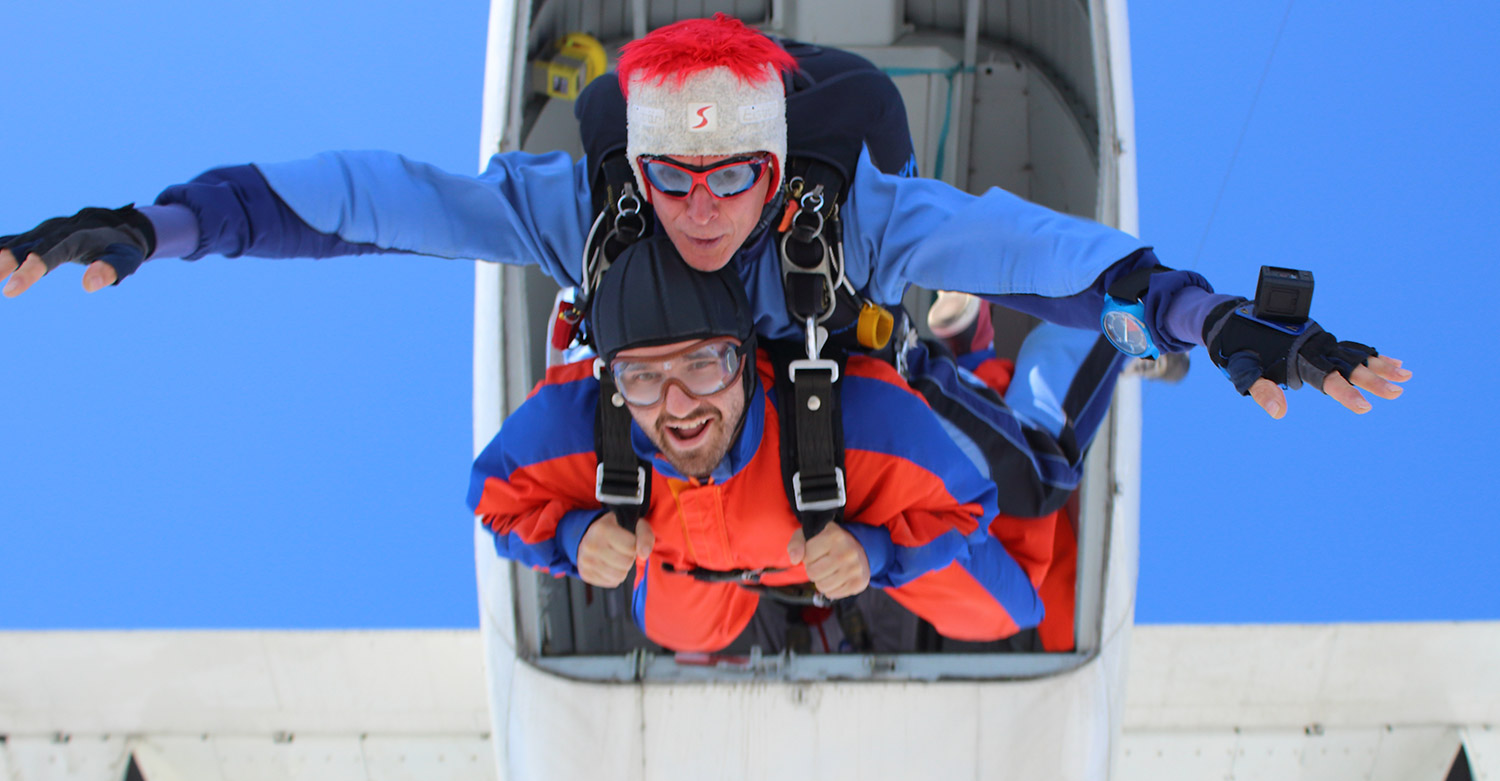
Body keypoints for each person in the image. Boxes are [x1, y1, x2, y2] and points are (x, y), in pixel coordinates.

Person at [0, 14, 1410, 465]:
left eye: (739, 175)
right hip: (678, 117)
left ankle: (928, 329)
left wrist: (1199, 317)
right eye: (679, 180)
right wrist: (160, 221)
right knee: (912, 312)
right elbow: (353, 202)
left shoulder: (854, 212)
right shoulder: (589, 198)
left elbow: (1062, 258)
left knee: (938, 306)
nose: (706, 200)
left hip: (841, 117)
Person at [469, 233, 1041, 653]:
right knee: (678, 633)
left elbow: (968, 506)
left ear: (744, 358)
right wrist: (575, 538)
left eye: (702, 364)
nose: (677, 405)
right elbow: (494, 500)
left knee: (1004, 608)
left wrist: (877, 553)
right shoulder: (576, 428)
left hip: (835, 520)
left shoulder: (862, 423)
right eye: (642, 377)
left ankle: (970, 354)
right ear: (612, 382)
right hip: (692, 565)